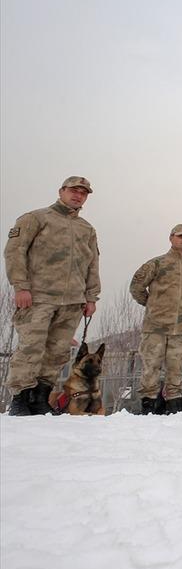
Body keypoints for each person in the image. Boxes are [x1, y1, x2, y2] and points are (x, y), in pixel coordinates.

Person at [4, 176, 100, 416]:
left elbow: (92, 264)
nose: (78, 196)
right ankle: (20, 398)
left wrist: (91, 297)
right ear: (61, 191)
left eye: (83, 193)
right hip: (38, 297)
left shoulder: (86, 229)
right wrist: (21, 287)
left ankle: (40, 397)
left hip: (72, 301)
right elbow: (15, 252)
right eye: (73, 191)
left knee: (57, 352)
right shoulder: (36, 219)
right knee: (31, 348)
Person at [130, 224, 182, 415]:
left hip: (181, 330)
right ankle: (148, 408)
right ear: (171, 238)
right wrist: (152, 305)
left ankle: (174, 408)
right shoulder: (157, 264)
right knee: (151, 368)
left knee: (176, 371)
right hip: (155, 328)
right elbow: (137, 287)